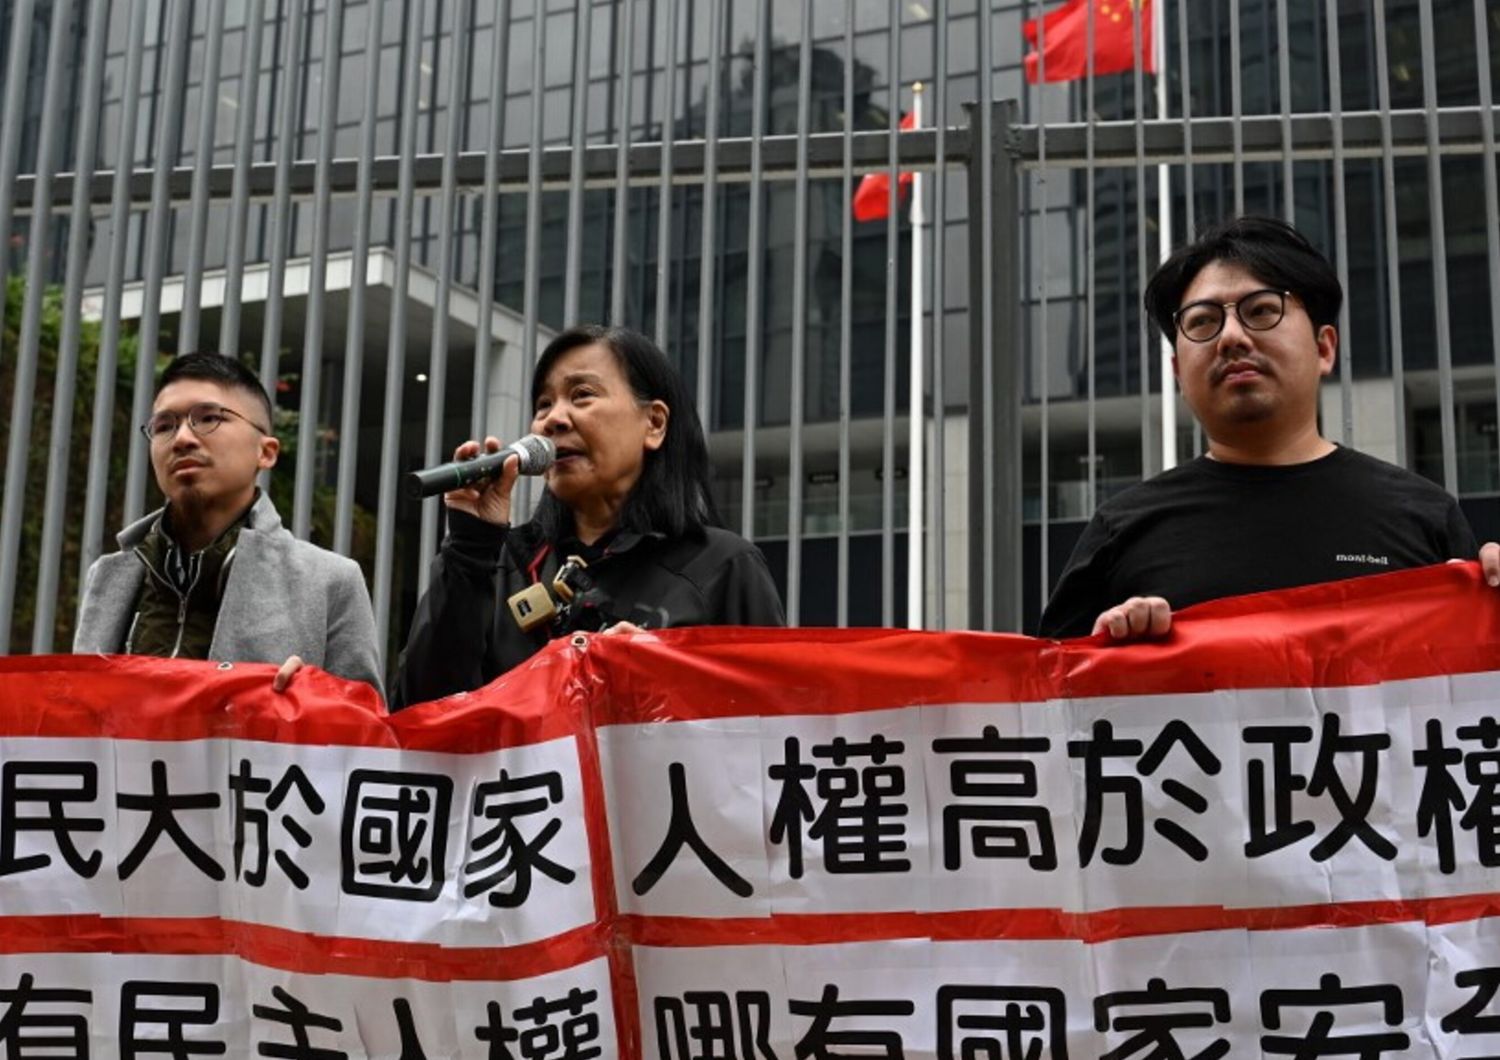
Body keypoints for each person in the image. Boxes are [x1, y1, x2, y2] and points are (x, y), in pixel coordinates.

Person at [1039, 216, 1500, 641]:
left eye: (1261, 311)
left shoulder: (1424, 518)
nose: (1232, 338)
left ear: (1324, 349)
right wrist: (1103, 655)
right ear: (1179, 373)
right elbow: (1047, 705)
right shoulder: (1121, 533)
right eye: (1203, 321)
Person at [393, 325, 785, 709]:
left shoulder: (721, 566)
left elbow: (775, 725)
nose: (553, 420)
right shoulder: (498, 562)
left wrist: (664, 683)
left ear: (655, 424)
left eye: (582, 395)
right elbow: (418, 714)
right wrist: (469, 547)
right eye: (544, 404)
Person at [74, 352, 383, 693]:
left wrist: (314, 700)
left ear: (265, 452)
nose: (182, 439)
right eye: (164, 426)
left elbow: (365, 730)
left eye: (208, 418)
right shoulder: (109, 575)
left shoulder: (330, 582)